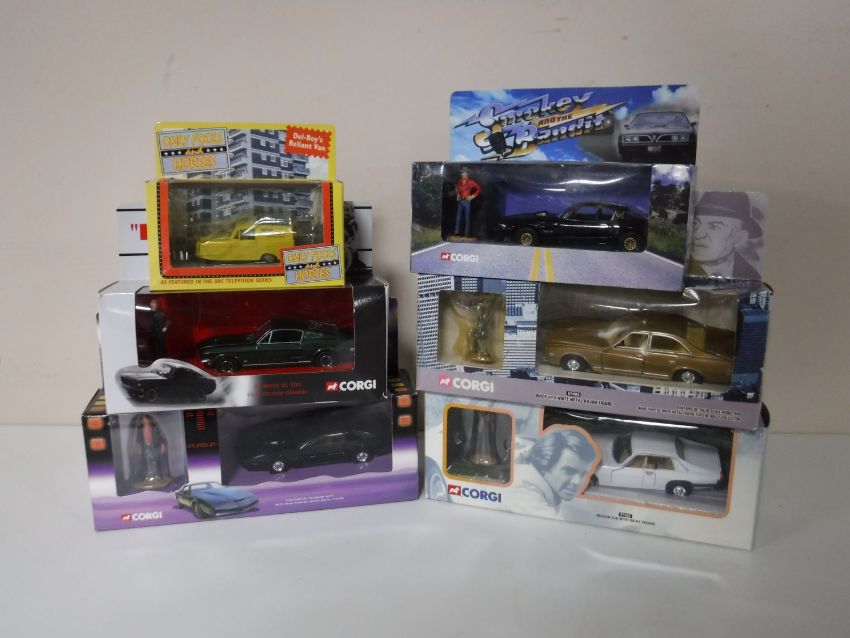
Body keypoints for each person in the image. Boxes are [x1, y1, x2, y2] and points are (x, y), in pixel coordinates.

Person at [512, 428, 599, 517]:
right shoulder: (524, 489)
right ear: (544, 464)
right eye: (569, 471)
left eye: (584, 474)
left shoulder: (547, 489)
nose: (577, 481)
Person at [688, 192, 763, 280]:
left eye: (714, 226)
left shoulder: (752, 277)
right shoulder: (680, 266)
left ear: (739, 238)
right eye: (695, 224)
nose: (698, 234)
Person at [453, 168, 482, 237]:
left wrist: (473, 196)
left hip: (467, 201)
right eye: (461, 173)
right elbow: (457, 188)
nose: (462, 174)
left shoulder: (471, 182)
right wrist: (458, 194)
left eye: (463, 173)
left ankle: (467, 233)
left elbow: (479, 189)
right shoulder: (459, 182)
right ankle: (456, 232)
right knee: (458, 217)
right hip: (460, 201)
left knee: (467, 218)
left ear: (467, 174)